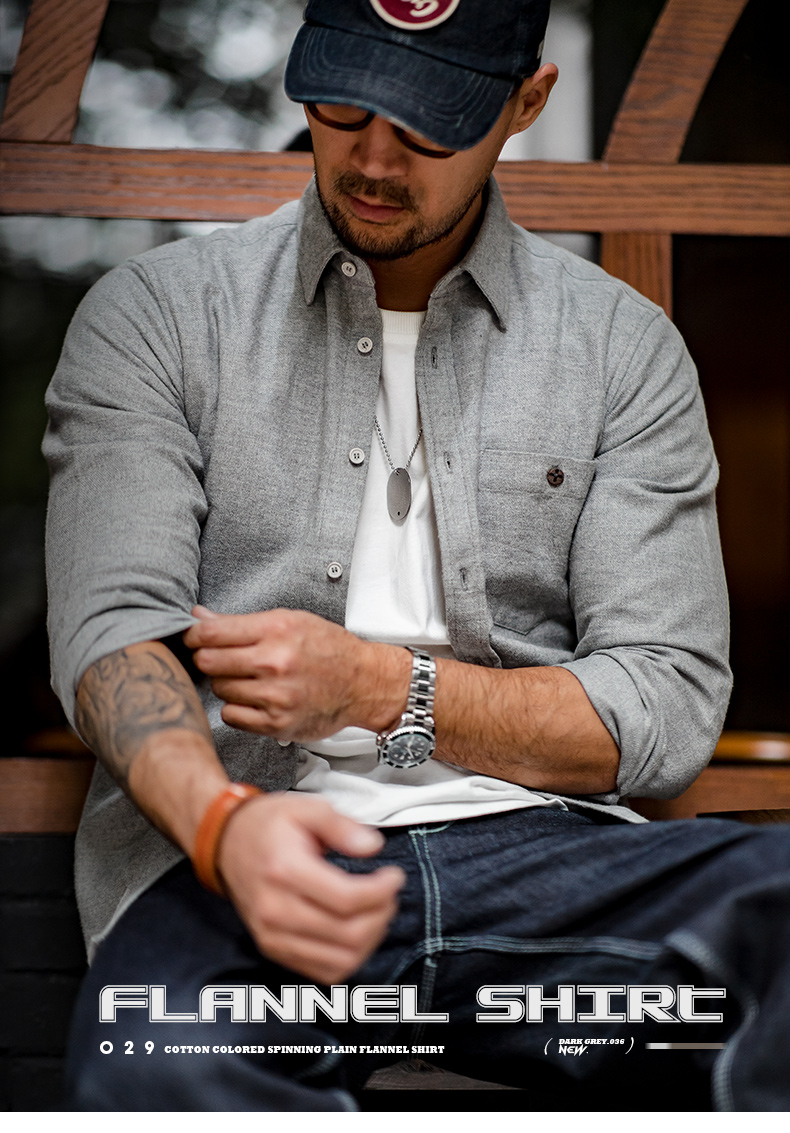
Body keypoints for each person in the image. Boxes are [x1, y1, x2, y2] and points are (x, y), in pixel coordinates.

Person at [44, 0, 790, 1112]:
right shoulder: (157, 317)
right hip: (244, 856)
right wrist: (219, 826)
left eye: (429, 123)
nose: (375, 159)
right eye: (343, 107)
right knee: (159, 1056)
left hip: (549, 863)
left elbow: (665, 704)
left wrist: (383, 687)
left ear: (525, 102)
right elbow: (114, 634)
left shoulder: (621, 349)